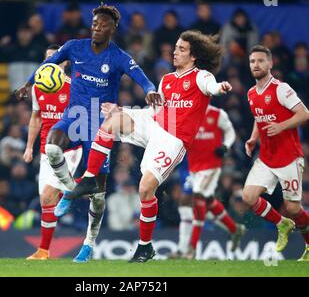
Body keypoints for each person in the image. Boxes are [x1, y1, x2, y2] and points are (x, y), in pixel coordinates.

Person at [60, 30, 232, 262]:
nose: (175, 51)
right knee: (112, 120)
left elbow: (212, 87)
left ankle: (145, 246)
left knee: (145, 189)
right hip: (154, 122)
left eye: (182, 49)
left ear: (193, 57)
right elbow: (156, 111)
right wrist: (122, 110)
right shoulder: (167, 80)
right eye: (176, 47)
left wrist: (220, 87)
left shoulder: (201, 77)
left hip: (173, 139)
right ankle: (90, 177)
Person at [15, 4, 161, 261]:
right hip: (74, 116)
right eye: (94, 23)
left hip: (100, 123)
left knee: (98, 193)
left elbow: (139, 75)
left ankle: (89, 243)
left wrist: (150, 89)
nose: (97, 28)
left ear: (112, 28)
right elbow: (48, 63)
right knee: (51, 146)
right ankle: (71, 191)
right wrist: (28, 84)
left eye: (103, 25)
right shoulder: (74, 46)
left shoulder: (117, 56)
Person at [243, 45, 309, 261]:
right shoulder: (251, 93)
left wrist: (281, 126)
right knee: (248, 196)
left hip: (289, 157)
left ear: (270, 64)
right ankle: (282, 224)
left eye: (261, 61)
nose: (256, 65)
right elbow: (258, 117)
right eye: (253, 61)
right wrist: (254, 138)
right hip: (267, 157)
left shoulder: (281, 89)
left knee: (293, 207)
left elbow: (304, 113)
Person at [24, 44, 82, 260]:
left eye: (56, 58)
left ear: (65, 62)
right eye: (48, 58)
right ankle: (44, 251)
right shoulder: (37, 88)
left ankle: (76, 188)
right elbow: (36, 118)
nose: (52, 61)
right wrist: (29, 147)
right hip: (46, 149)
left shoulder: (74, 87)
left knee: (49, 194)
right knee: (46, 201)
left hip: (70, 149)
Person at [174, 105, 245, 259]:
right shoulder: (188, 114)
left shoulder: (217, 114)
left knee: (198, 198)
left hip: (211, 166)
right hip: (193, 167)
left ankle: (191, 248)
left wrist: (225, 146)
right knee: (204, 201)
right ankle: (234, 229)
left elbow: (230, 131)